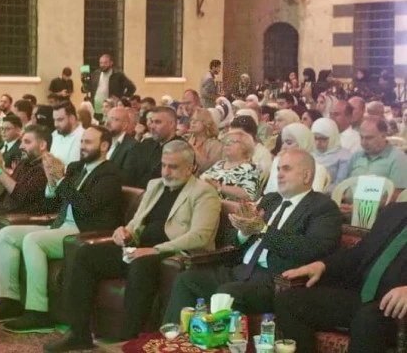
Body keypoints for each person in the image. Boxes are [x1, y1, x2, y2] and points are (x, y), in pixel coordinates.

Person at [44, 141, 222, 352]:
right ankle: (78, 333)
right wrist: (125, 232)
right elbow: (137, 221)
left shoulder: (204, 193)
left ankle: (128, 339)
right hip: (139, 249)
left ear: (191, 167)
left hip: (171, 254)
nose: (166, 172)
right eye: (164, 165)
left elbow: (200, 236)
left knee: (141, 263)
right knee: (86, 255)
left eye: (173, 167)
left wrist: (155, 250)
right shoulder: (155, 185)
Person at [163, 149, 343, 321]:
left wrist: (263, 230)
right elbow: (232, 242)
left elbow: (310, 249)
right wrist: (243, 231)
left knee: (227, 294)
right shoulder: (271, 199)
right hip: (241, 269)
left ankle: (213, 341)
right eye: (278, 169)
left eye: (286, 169)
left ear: (306, 176)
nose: (279, 175)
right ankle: (173, 337)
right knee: (187, 279)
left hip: (275, 280)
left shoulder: (323, 208)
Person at [0, 126, 123, 333]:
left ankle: (38, 312)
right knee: (6, 234)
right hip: (61, 225)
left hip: (84, 232)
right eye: (82, 141)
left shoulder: (110, 174)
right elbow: (52, 196)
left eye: (88, 142)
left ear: (104, 146)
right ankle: (10, 300)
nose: (82, 146)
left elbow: (86, 206)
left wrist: (60, 179)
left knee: (33, 240)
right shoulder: (76, 167)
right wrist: (51, 176)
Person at [275, 203, 407, 353]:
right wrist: (322, 265)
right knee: (289, 302)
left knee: (368, 319)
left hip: (396, 312)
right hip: (364, 299)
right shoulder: (395, 211)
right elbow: (360, 253)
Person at [200, 129, 261, 212]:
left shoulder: (251, 168)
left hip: (226, 213)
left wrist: (219, 187)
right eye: (225, 141)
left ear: (245, 147)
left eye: (232, 141)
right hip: (204, 205)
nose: (227, 144)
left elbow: (248, 194)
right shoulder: (219, 164)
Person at [264, 123, 329, 194]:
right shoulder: (278, 161)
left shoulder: (317, 168)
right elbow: (269, 192)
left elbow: (314, 198)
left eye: (289, 143)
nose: (283, 147)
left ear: (303, 143)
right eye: (283, 143)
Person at [347, 118, 407, 191]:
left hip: (380, 198)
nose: (363, 142)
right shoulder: (356, 156)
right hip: (347, 198)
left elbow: (399, 193)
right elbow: (344, 185)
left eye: (369, 138)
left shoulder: (398, 159)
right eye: (361, 137)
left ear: (383, 136)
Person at [311, 118, 351, 192]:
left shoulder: (344, 156)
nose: (318, 142)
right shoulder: (309, 154)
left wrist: (319, 190)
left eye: (323, 139)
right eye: (315, 138)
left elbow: (340, 184)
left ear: (333, 137)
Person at [188, 108, 222, 174]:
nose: (193, 123)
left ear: (206, 123)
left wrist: (193, 149)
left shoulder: (215, 144)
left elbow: (211, 169)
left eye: (197, 120)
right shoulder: (189, 139)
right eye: (192, 119)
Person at [50, 101, 85, 165]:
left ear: (72, 118)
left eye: (60, 120)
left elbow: (75, 168)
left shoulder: (83, 137)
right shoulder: (55, 134)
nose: (55, 124)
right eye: (54, 120)